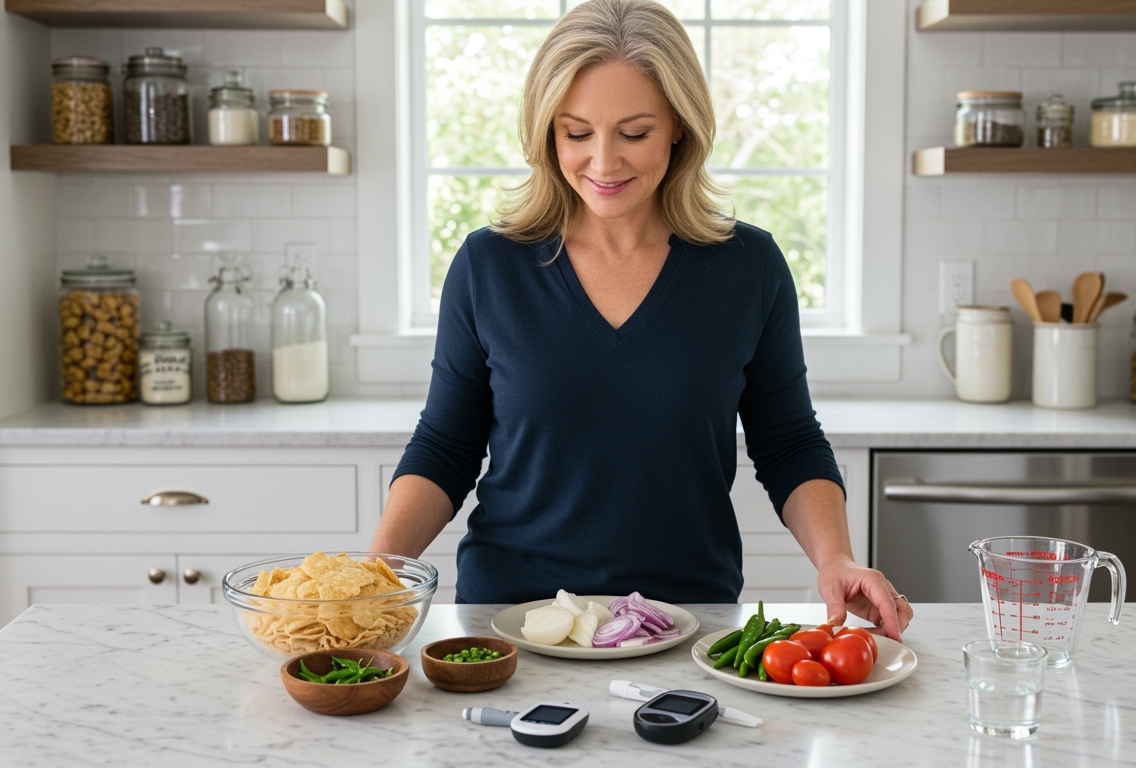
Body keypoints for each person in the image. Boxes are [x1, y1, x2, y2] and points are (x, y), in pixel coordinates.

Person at [369, 0, 913, 641]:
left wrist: (836, 558)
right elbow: (446, 445)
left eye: (633, 134)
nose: (603, 162)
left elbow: (788, 440)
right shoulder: (489, 265)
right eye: (576, 133)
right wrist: (377, 574)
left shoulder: (749, 267)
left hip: (687, 624)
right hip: (513, 624)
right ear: (547, 132)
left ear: (680, 127)